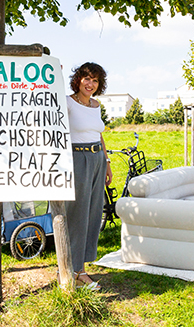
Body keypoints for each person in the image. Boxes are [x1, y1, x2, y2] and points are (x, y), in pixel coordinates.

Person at [65, 62, 112, 290]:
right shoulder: (68, 103)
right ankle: (72, 270)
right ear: (78, 80)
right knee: (77, 214)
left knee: (94, 214)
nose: (90, 84)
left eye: (95, 80)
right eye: (87, 79)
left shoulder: (96, 105)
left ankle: (80, 267)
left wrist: (107, 163)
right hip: (77, 159)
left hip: (97, 159)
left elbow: (98, 134)